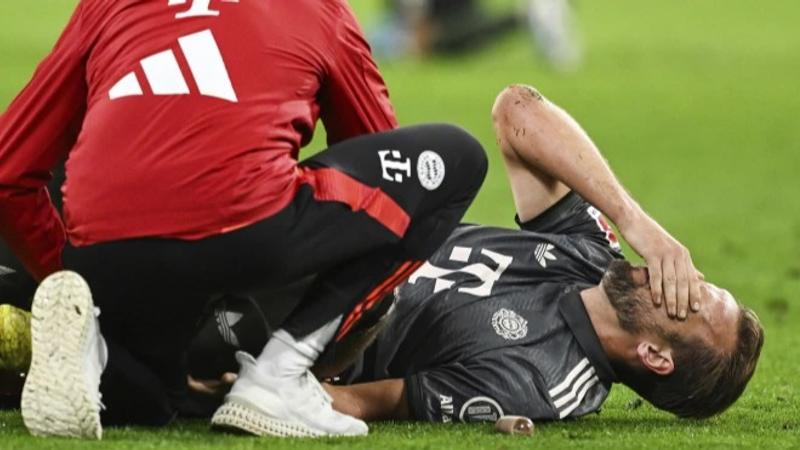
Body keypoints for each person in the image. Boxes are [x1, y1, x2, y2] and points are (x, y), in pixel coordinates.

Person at [0, 0, 487, 440]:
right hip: (244, 233)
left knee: (155, 399)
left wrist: (67, 274)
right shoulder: (319, 9)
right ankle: (280, 375)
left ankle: (92, 343)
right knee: (457, 157)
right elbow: (383, 170)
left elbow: (10, 172)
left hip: (104, 246)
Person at [184, 84, 764, 422]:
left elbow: (370, 400)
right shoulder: (590, 252)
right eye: (697, 276)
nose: (677, 272)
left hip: (300, 319)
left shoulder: (543, 381)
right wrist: (637, 221)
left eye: (691, 297)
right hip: (316, 237)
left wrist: (257, 386)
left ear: (654, 356)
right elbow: (517, 110)